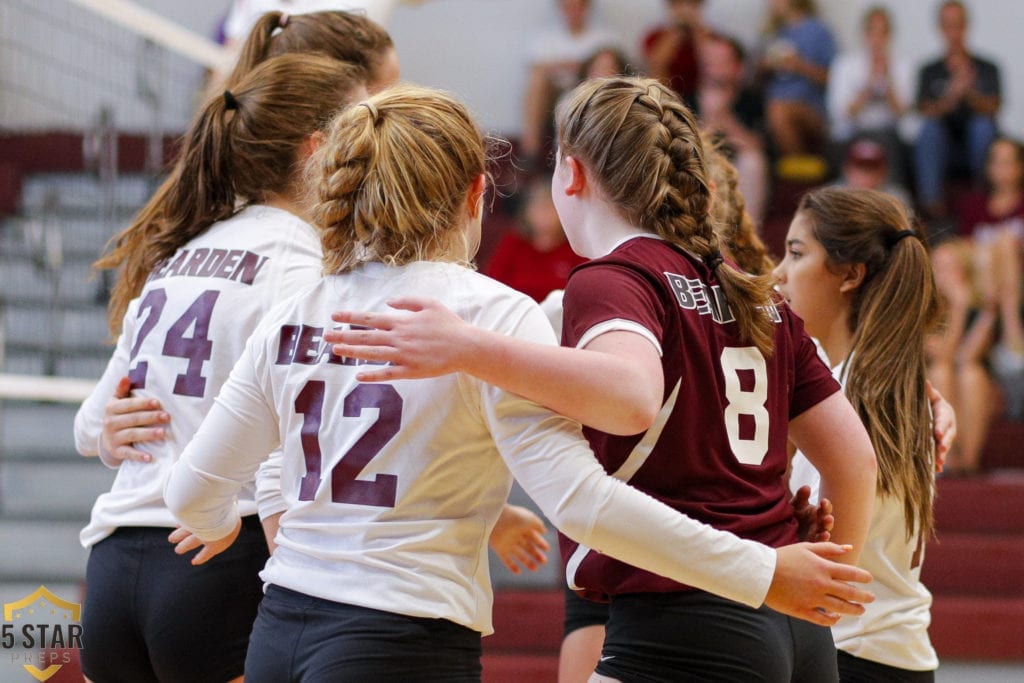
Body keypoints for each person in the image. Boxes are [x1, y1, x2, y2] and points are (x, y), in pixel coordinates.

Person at [165, 83, 877, 682]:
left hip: (279, 630)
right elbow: (582, 498)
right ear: (478, 192)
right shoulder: (495, 312)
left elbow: (193, 493)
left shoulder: (298, 309)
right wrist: (770, 565)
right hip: (404, 635)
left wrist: (226, 521)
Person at [73, 55, 367, 683]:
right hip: (214, 552)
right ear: (318, 149)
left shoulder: (178, 253)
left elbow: (92, 424)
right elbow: (290, 429)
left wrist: (108, 435)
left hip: (111, 564)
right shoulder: (304, 262)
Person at [775, 187, 942, 680]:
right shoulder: (903, 388)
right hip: (896, 653)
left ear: (850, 274)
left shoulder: (839, 398)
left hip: (843, 651)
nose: (779, 272)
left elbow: (828, 562)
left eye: (796, 253)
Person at [929, 136, 1024, 474]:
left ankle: (965, 461)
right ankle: (951, 460)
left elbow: (969, 356)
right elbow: (944, 355)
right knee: (949, 369)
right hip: (976, 334)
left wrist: (990, 310)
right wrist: (959, 306)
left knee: (969, 372)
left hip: (1003, 332)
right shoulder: (939, 301)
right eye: (940, 268)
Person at [913, 0, 1001, 220]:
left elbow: (994, 108)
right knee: (930, 129)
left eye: (958, 24)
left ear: (966, 26)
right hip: (943, 146)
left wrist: (968, 92)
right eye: (948, 25)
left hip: (978, 144)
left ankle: (983, 197)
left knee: (983, 126)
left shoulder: (987, 67)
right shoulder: (929, 70)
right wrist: (952, 95)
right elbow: (924, 112)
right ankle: (932, 206)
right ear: (940, 29)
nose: (954, 32)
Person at [520, 0, 618, 168]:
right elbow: (537, 69)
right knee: (538, 80)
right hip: (555, 93)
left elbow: (612, 67)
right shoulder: (546, 37)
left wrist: (563, 66)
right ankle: (531, 151)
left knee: (603, 70)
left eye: (577, 7)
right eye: (567, 7)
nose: (573, 12)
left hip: (590, 90)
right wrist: (580, 64)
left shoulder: (605, 37)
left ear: (587, 8)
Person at [827, 6, 914, 185]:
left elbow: (905, 115)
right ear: (864, 34)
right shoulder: (844, 65)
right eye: (872, 31)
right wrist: (869, 85)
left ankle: (892, 201)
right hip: (853, 133)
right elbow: (840, 113)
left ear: (890, 35)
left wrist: (888, 80)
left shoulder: (904, 67)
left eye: (882, 32)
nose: (877, 39)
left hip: (888, 134)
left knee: (888, 141)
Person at [699, 31, 769, 226]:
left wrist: (724, 117)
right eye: (707, 60)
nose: (710, 66)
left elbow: (758, 147)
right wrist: (706, 121)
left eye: (718, 60)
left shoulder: (752, 100)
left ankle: (746, 233)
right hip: (700, 169)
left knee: (753, 162)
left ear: (738, 67)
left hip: (736, 168)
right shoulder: (688, 98)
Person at [484, 174, 586, 302]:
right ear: (527, 211)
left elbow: (583, 291)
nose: (544, 215)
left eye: (549, 208)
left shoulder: (576, 248)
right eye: (538, 207)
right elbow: (493, 284)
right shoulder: (514, 243)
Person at [758, 0, 836, 160]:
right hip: (772, 109)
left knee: (778, 111)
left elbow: (833, 79)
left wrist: (799, 65)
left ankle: (798, 172)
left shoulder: (819, 32)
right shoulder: (774, 34)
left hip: (811, 109)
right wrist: (765, 66)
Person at [641, 0, 707, 110]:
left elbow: (711, 62)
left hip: (701, 97)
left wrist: (695, 30)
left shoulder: (709, 38)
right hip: (666, 95)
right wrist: (678, 30)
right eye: (679, 4)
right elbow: (656, 65)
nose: (685, 10)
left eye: (691, 5)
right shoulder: (655, 36)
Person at [834, 135, 913, 210]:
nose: (866, 175)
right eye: (861, 168)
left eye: (871, 169)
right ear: (847, 169)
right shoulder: (833, 197)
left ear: (883, 171)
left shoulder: (896, 198)